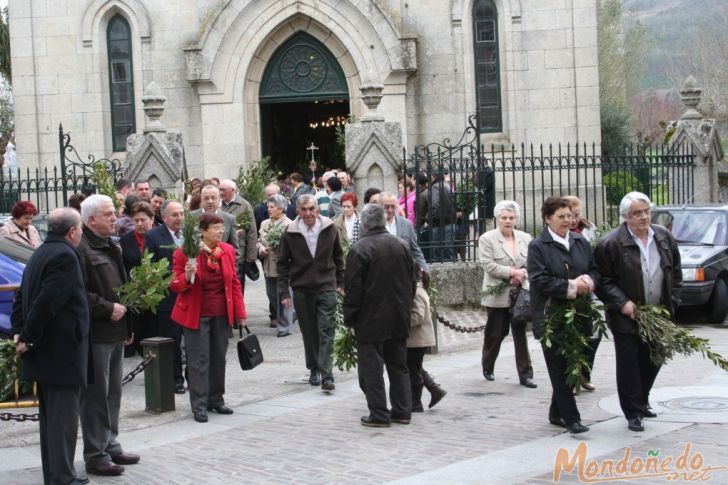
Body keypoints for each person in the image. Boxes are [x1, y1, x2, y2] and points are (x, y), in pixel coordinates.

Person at [11, 208, 89, 485]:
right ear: (71, 231)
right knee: (62, 420)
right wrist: (28, 336)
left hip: (47, 350)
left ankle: (56, 474)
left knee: (52, 419)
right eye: (80, 228)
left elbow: (22, 297)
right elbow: (48, 301)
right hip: (60, 350)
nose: (81, 233)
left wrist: (21, 331)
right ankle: (62, 477)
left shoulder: (41, 252)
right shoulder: (65, 256)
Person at [595, 192, 682, 432]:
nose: (643, 217)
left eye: (646, 211)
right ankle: (633, 411)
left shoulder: (663, 236)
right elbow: (603, 280)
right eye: (637, 213)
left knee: (653, 358)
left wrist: (672, 301)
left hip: (658, 314)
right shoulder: (610, 243)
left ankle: (642, 400)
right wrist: (622, 302)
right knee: (630, 364)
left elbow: (675, 272)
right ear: (625, 218)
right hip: (626, 315)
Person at [77, 194, 139, 476]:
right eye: (108, 214)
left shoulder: (111, 245)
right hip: (97, 331)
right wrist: (107, 309)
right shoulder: (80, 248)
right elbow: (78, 294)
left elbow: (122, 286)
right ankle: (95, 453)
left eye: (114, 212)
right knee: (96, 396)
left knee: (113, 392)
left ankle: (110, 443)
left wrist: (127, 326)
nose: (115, 217)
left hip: (116, 329)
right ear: (91, 220)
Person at [527, 196, 599, 435]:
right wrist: (571, 286)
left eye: (570, 216)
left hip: (580, 313)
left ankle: (556, 412)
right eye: (562, 217)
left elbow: (594, 269)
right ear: (548, 219)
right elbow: (539, 280)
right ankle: (572, 418)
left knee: (574, 363)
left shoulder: (580, 241)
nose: (568, 221)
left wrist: (588, 282)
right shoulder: (538, 246)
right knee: (558, 366)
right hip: (551, 316)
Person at [170, 212, 247, 423]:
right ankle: (199, 405)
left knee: (218, 358)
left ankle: (216, 399)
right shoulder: (186, 253)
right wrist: (186, 275)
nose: (221, 231)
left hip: (222, 313)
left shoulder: (227, 251)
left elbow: (234, 284)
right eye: (215, 228)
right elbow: (174, 285)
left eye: (221, 228)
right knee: (198, 360)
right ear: (203, 231)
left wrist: (240, 313)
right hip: (196, 313)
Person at [344, 203, 416, 427]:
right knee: (398, 364)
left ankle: (379, 413)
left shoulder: (359, 249)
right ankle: (403, 410)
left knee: (372, 368)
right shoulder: (401, 245)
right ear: (384, 221)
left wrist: (350, 316)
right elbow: (412, 282)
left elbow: (353, 290)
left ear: (364, 224)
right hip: (398, 314)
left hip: (371, 318)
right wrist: (406, 306)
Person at [278, 194, 344, 392]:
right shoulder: (290, 232)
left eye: (311, 209)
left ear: (317, 210)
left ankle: (327, 375)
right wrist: (284, 293)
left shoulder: (329, 227)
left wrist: (340, 283)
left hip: (326, 286)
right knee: (309, 332)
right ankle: (313, 368)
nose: (308, 213)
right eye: (304, 209)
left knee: (326, 330)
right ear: (297, 211)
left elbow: (339, 256)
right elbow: (282, 264)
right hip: (302, 288)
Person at [478, 200, 536, 388]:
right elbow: (488, 265)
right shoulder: (487, 238)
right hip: (498, 293)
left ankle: (525, 374)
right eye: (504, 218)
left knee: (520, 334)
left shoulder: (525, 237)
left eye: (511, 218)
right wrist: (512, 272)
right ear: (497, 219)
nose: (508, 221)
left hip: (520, 292)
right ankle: (488, 365)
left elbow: (533, 262)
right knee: (496, 333)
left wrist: (523, 274)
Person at [145, 200, 187, 394]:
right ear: (163, 217)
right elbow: (151, 267)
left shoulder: (190, 234)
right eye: (174, 215)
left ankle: (193, 377)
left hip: (190, 296)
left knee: (192, 340)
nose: (179, 218)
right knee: (173, 340)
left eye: (181, 214)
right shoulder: (154, 236)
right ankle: (175, 378)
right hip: (168, 297)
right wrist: (180, 275)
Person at [564, 195, 600, 392]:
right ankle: (572, 378)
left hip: (589, 291)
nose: (574, 219)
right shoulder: (559, 234)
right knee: (572, 337)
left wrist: (591, 281)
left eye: (577, 215)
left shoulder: (589, 230)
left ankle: (585, 373)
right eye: (571, 215)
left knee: (593, 335)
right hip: (569, 291)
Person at [119, 201, 156, 357]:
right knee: (139, 334)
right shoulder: (126, 240)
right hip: (135, 296)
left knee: (156, 332)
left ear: (152, 219)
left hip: (156, 294)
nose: (140, 224)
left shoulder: (158, 236)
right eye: (136, 220)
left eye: (143, 220)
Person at [258, 194, 294, 337]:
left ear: (281, 209)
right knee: (271, 295)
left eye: (272, 207)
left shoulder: (289, 224)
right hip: (268, 266)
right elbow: (259, 241)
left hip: (284, 267)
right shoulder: (264, 223)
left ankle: (284, 327)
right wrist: (260, 248)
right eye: (268, 207)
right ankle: (291, 313)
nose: (269, 210)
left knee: (283, 296)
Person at [406, 267, 441, 412]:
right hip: (418, 340)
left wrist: (401, 324)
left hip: (417, 340)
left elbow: (417, 316)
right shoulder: (420, 290)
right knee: (415, 367)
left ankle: (416, 403)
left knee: (413, 370)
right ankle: (435, 390)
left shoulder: (416, 293)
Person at [217, 179, 257, 290]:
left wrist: (251, 258)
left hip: (239, 254)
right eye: (219, 189)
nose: (220, 193)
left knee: (237, 288)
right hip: (218, 252)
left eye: (223, 190)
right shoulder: (217, 205)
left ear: (233, 190)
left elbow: (252, 232)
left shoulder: (244, 205)